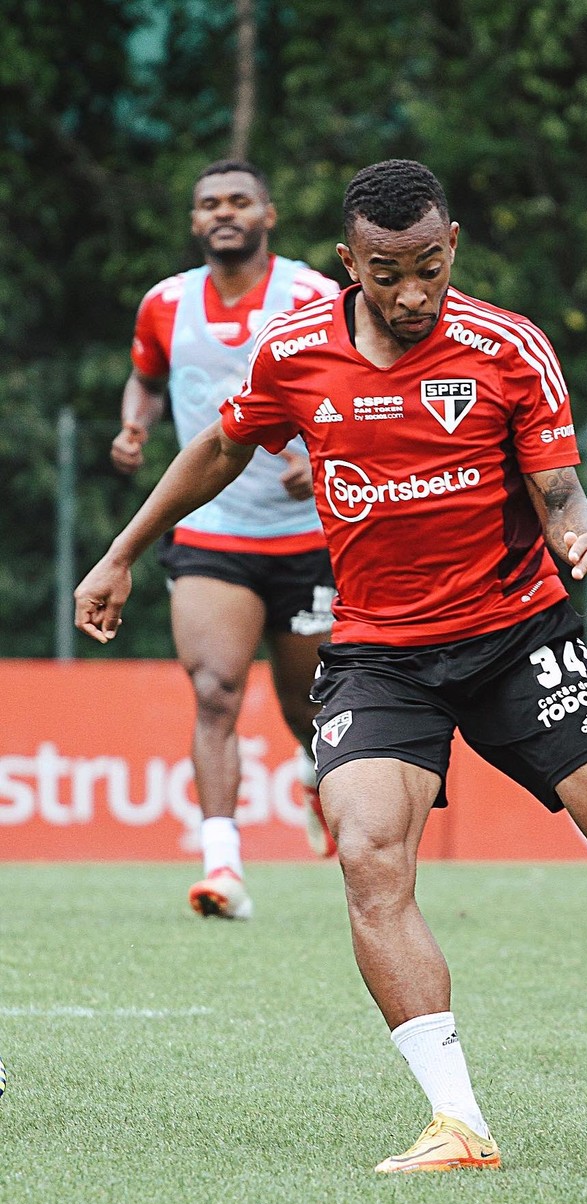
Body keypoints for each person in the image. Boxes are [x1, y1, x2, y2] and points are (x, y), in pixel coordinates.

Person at [77, 159, 587, 1171]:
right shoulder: (294, 353)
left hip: (517, 636)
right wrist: (120, 551)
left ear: (453, 246)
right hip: (380, 652)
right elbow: (217, 449)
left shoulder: (509, 348)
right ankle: (459, 1122)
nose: (412, 293)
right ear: (350, 264)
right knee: (369, 857)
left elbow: (560, 496)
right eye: (387, 275)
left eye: (430, 267)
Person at [110, 159, 340, 922]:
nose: (224, 212)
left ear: (268, 214)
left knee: (308, 706)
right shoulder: (165, 303)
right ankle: (223, 869)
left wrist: (322, 453)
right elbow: (145, 374)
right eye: (210, 203)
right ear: (194, 221)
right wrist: (136, 423)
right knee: (214, 694)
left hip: (310, 539)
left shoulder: (310, 296)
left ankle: (315, 770)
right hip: (211, 533)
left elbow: (359, 390)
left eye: (239, 200)